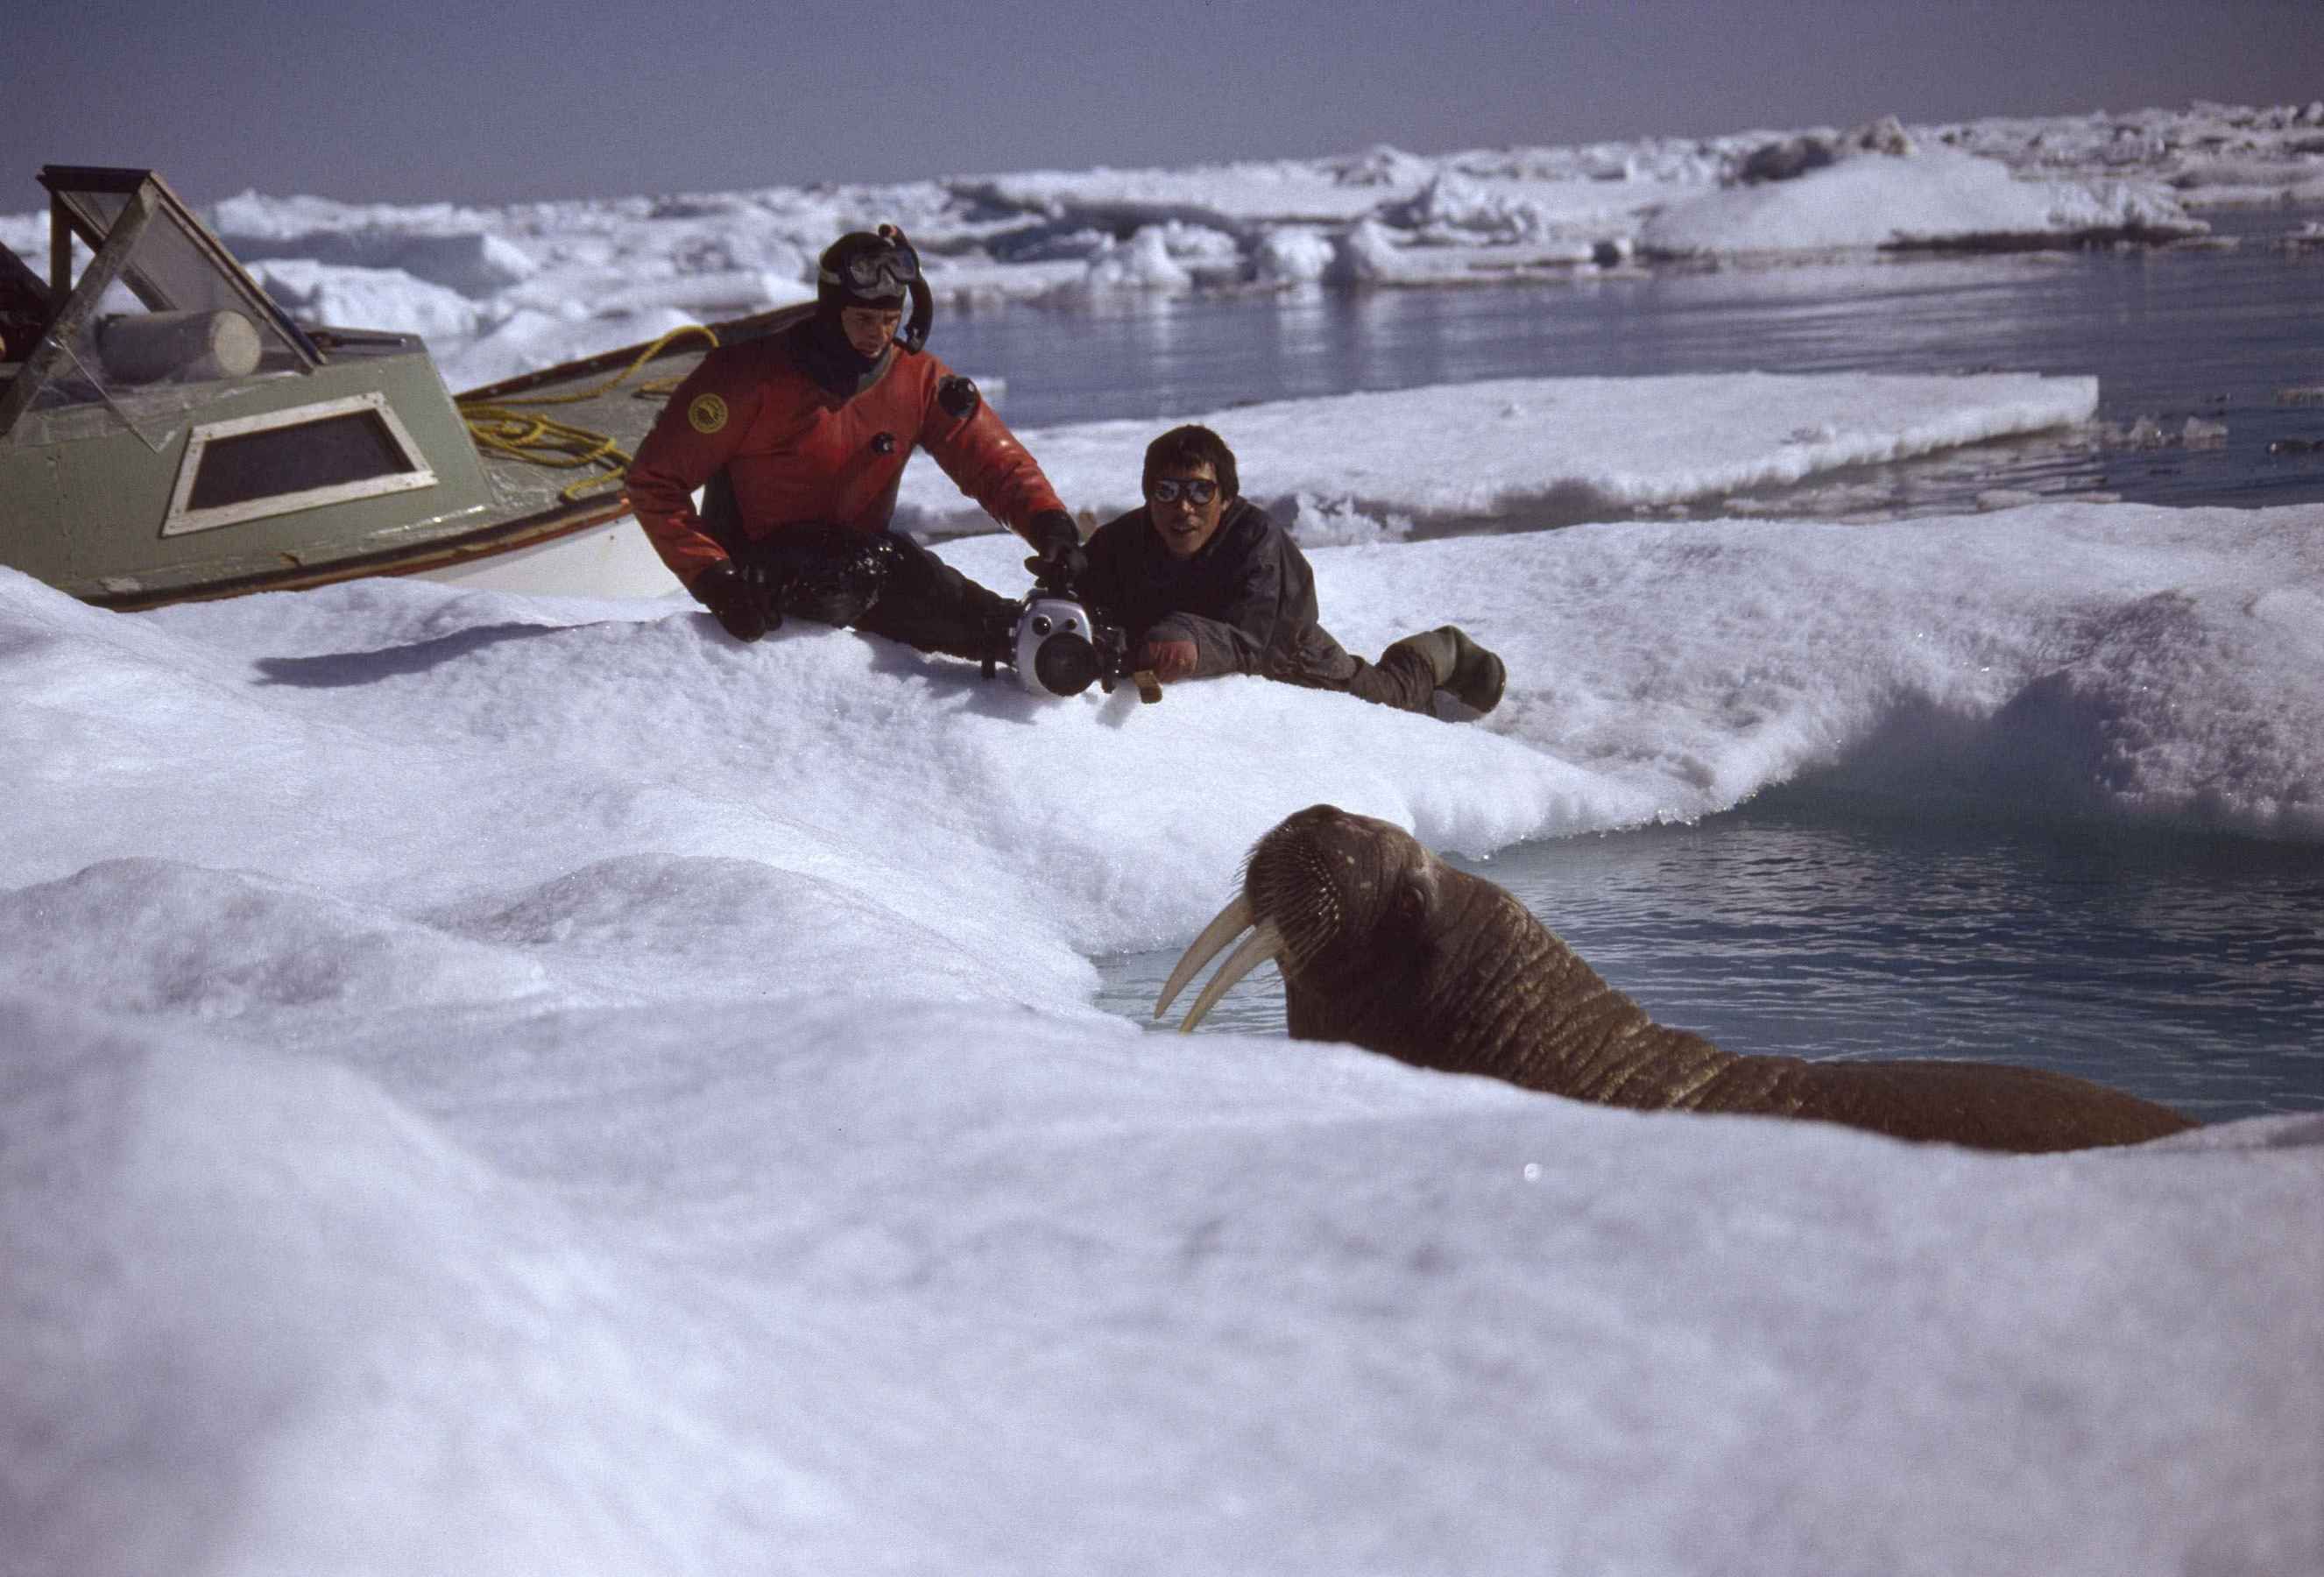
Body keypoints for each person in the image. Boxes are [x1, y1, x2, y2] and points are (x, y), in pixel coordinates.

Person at [625, 226, 1083, 661]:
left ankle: (1035, 644)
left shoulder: (917, 380)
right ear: (830, 312)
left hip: (867, 560)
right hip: (761, 573)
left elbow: (993, 465)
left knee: (912, 576)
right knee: (867, 569)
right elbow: (654, 481)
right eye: (863, 319)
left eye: (890, 319)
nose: (879, 335)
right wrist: (714, 579)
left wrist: (1049, 527)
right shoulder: (744, 379)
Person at [1076, 424, 1507, 716]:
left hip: (1291, 652)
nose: (1182, 508)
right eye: (1166, 491)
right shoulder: (1120, 541)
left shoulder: (1256, 540)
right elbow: (1082, 602)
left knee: (1385, 699)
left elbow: (1257, 643)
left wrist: (1188, 640)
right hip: (1194, 639)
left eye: (1200, 491)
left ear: (1225, 499)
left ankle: (1440, 652)